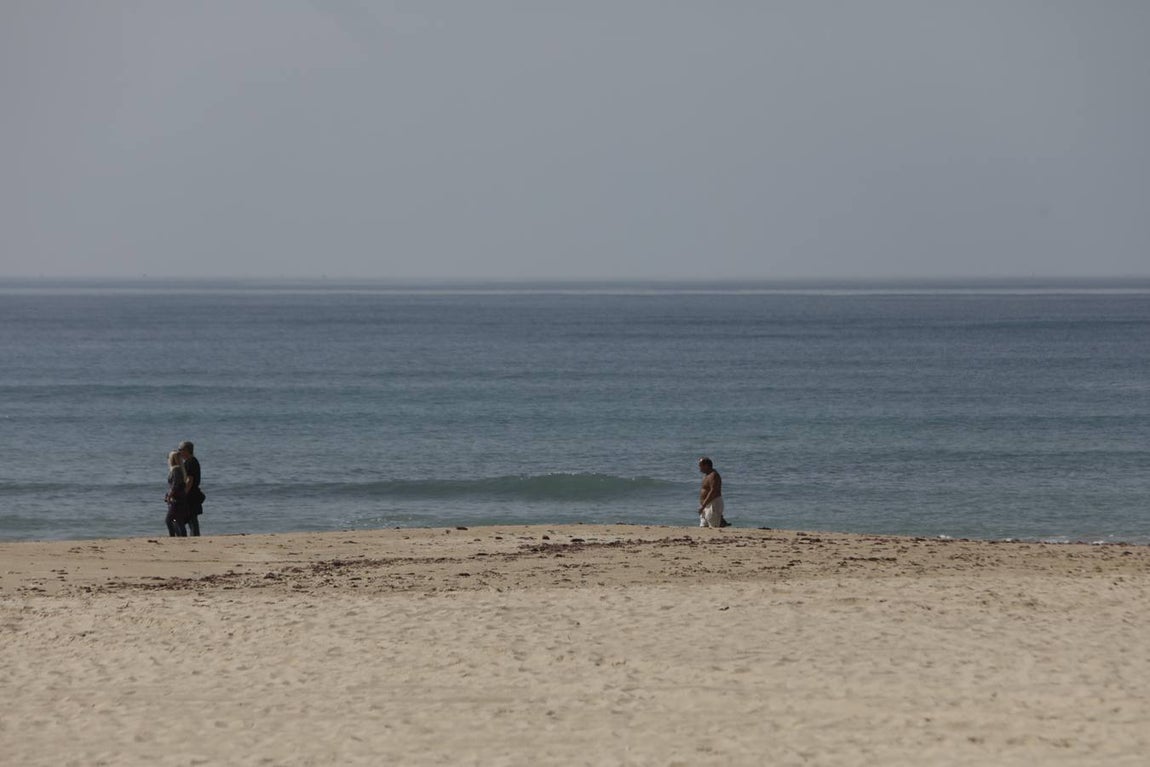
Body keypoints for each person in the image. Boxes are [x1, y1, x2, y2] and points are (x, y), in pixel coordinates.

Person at [178, 440, 204, 536]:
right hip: (192, 494)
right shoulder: (191, 461)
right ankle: (194, 536)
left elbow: (190, 480)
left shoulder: (190, 462)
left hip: (191, 495)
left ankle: (194, 537)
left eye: (180, 449)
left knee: (190, 518)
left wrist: (184, 494)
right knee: (191, 519)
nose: (179, 452)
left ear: (187, 450)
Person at [697, 456, 728, 528]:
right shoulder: (707, 475)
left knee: (713, 527)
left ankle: (720, 521)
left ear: (706, 466)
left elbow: (713, 491)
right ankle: (721, 520)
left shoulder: (713, 475)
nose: (699, 468)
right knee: (703, 526)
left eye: (701, 466)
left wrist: (703, 505)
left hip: (712, 503)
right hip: (706, 505)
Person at [164, 450, 188, 536]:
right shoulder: (181, 469)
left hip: (176, 499)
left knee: (169, 520)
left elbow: (175, 485)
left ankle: (173, 536)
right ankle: (182, 536)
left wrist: (169, 496)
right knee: (179, 520)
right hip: (181, 497)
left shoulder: (175, 470)